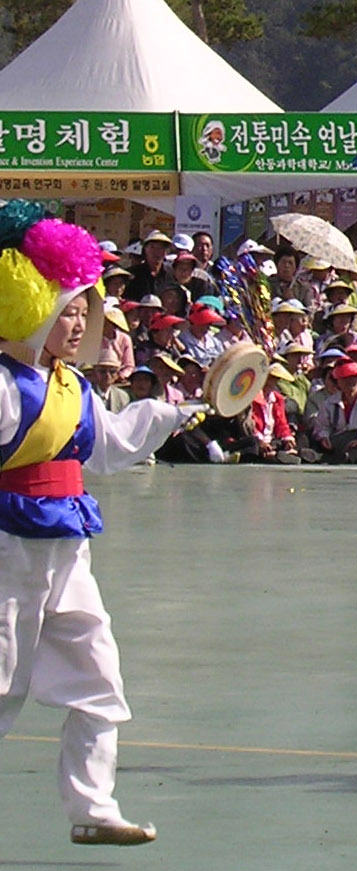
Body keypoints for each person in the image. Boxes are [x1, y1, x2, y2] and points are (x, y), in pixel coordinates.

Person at [0, 206, 191, 846]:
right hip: (7, 549)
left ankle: (94, 807)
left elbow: (107, 447)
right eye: (65, 305)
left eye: (84, 306)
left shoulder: (72, 385)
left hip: (67, 550)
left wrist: (179, 410)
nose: (78, 318)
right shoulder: (5, 388)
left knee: (100, 680)